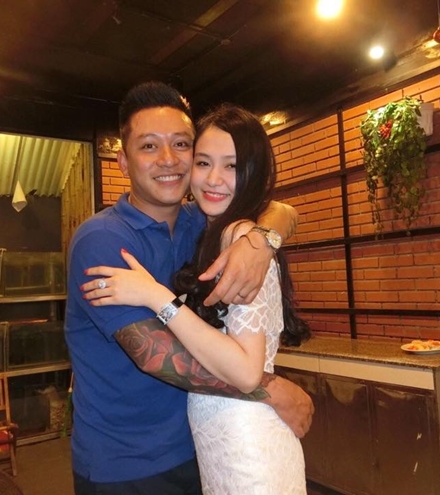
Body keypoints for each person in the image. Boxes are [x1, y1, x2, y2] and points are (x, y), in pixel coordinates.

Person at [65, 81, 313, 495]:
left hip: (199, 445)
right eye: (149, 146)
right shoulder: (102, 239)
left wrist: (260, 241)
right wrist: (267, 389)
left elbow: (284, 210)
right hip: (125, 463)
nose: (168, 159)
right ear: (123, 161)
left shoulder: (202, 223)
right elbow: (156, 355)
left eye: (181, 144)